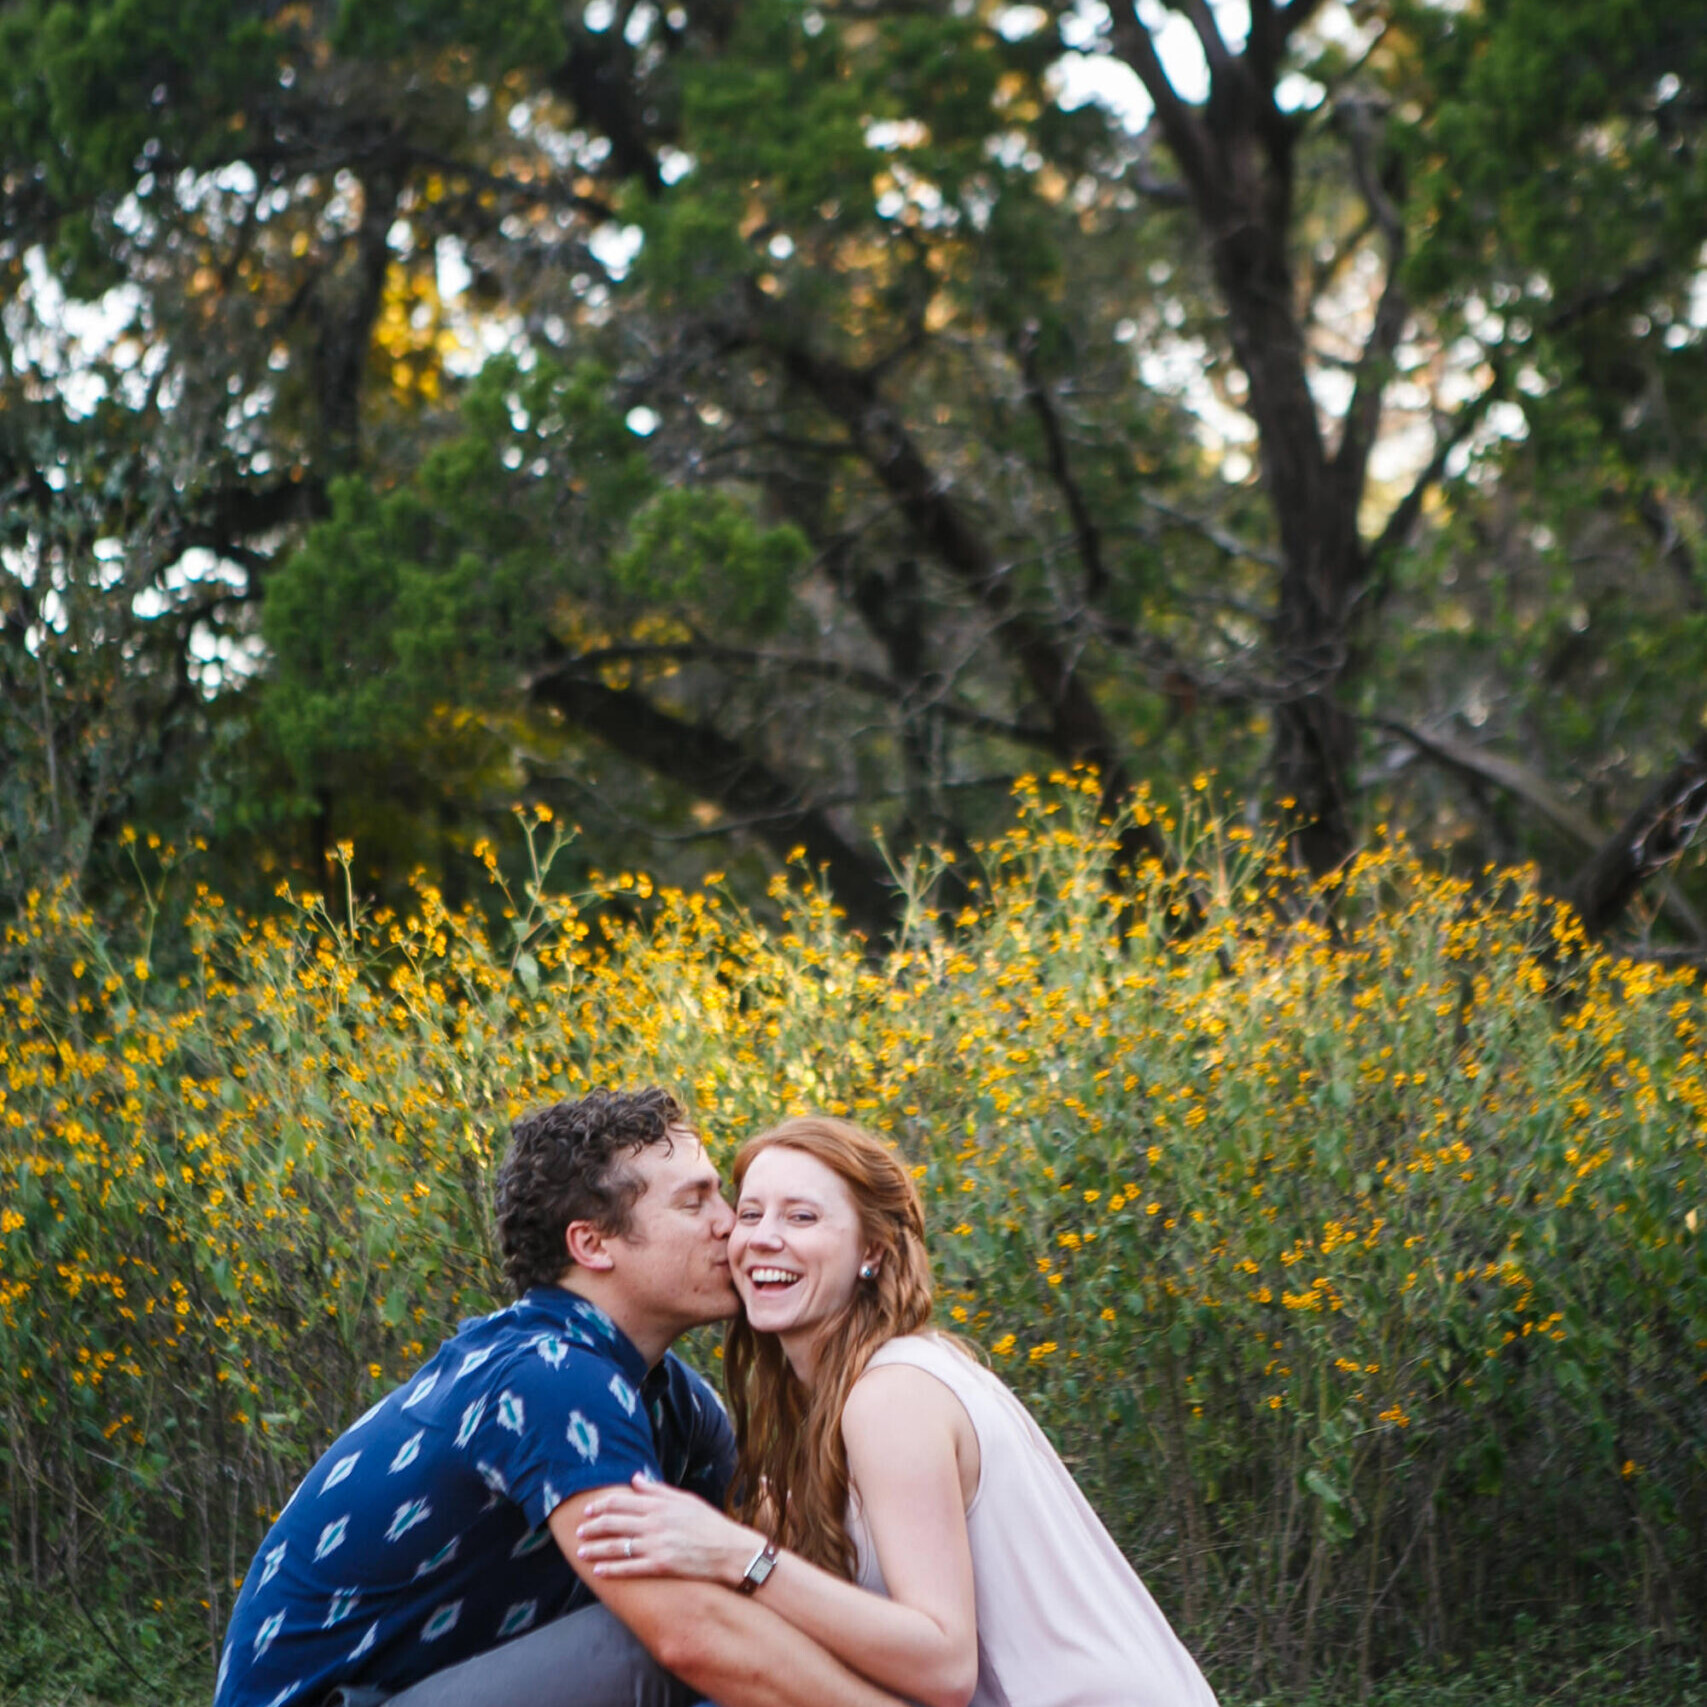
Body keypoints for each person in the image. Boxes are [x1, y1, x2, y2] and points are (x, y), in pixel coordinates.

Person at [215, 1089, 909, 1707]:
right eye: (695, 1201)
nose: (733, 1226)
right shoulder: (546, 1375)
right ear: (592, 1243)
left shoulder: (665, 1393)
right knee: (663, 1633)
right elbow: (690, 1637)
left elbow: (771, 1553)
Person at [573, 1114, 1220, 1707]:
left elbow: (942, 1663)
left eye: (801, 1217)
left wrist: (739, 1554)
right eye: (750, 1213)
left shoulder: (892, 1393)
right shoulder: (833, 1402)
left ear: (871, 1252)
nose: (764, 1238)